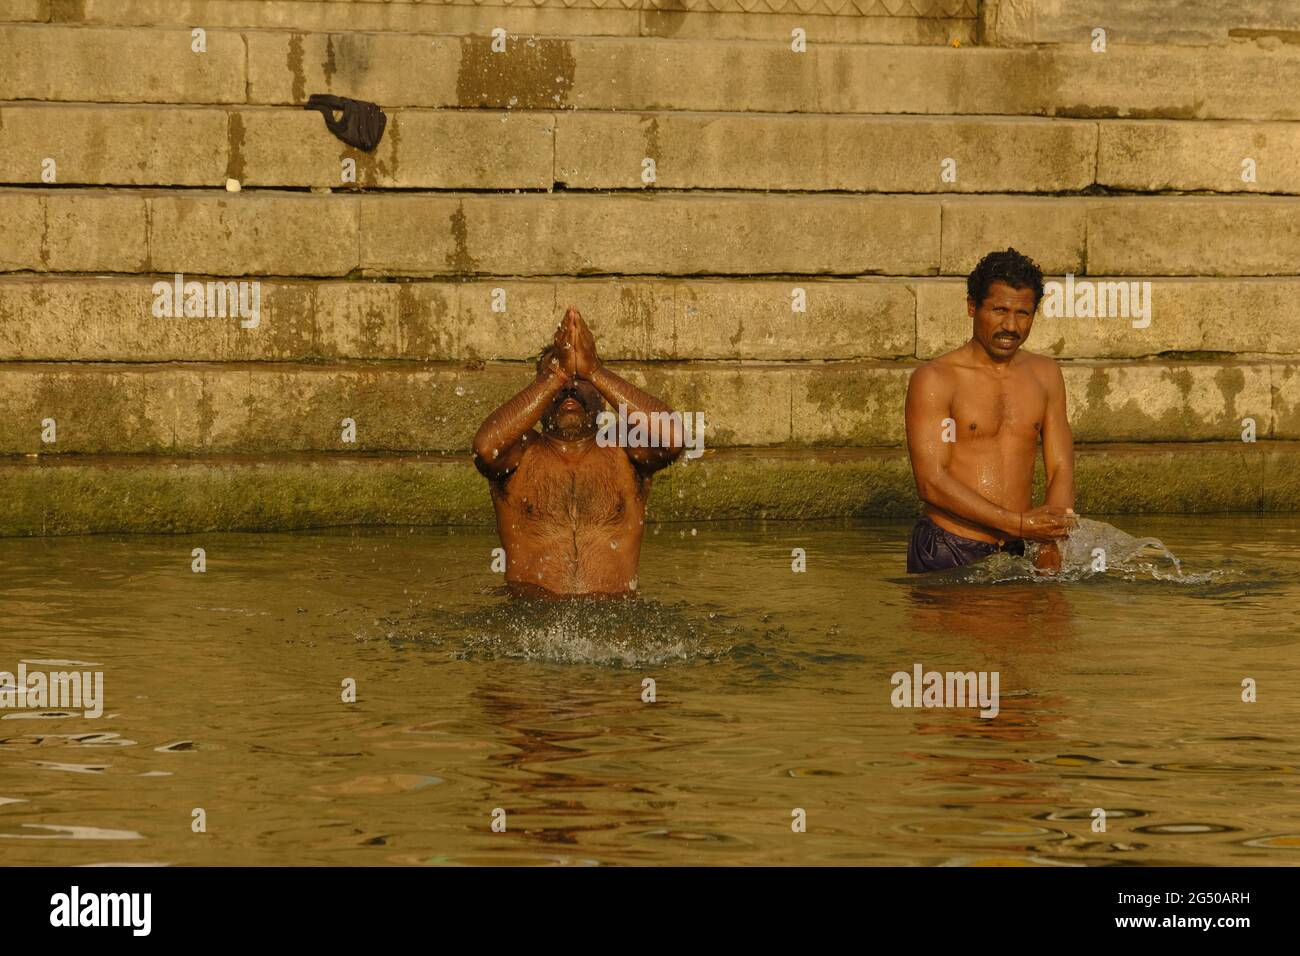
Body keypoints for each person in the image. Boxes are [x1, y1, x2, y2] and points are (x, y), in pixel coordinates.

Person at [472, 306, 684, 596]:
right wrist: (557, 373)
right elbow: (484, 450)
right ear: (539, 393)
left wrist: (594, 370)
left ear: (602, 394)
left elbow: (673, 437)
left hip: (615, 622)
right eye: (557, 379)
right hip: (531, 618)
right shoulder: (520, 450)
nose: (568, 388)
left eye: (579, 380)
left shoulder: (622, 446)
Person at [904, 248, 1076, 573]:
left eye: (1023, 314)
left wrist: (1050, 541)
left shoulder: (1046, 374)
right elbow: (931, 482)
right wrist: (1020, 524)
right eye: (999, 310)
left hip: (1019, 548)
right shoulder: (935, 379)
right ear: (972, 307)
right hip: (950, 545)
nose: (1010, 326)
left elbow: (1060, 467)